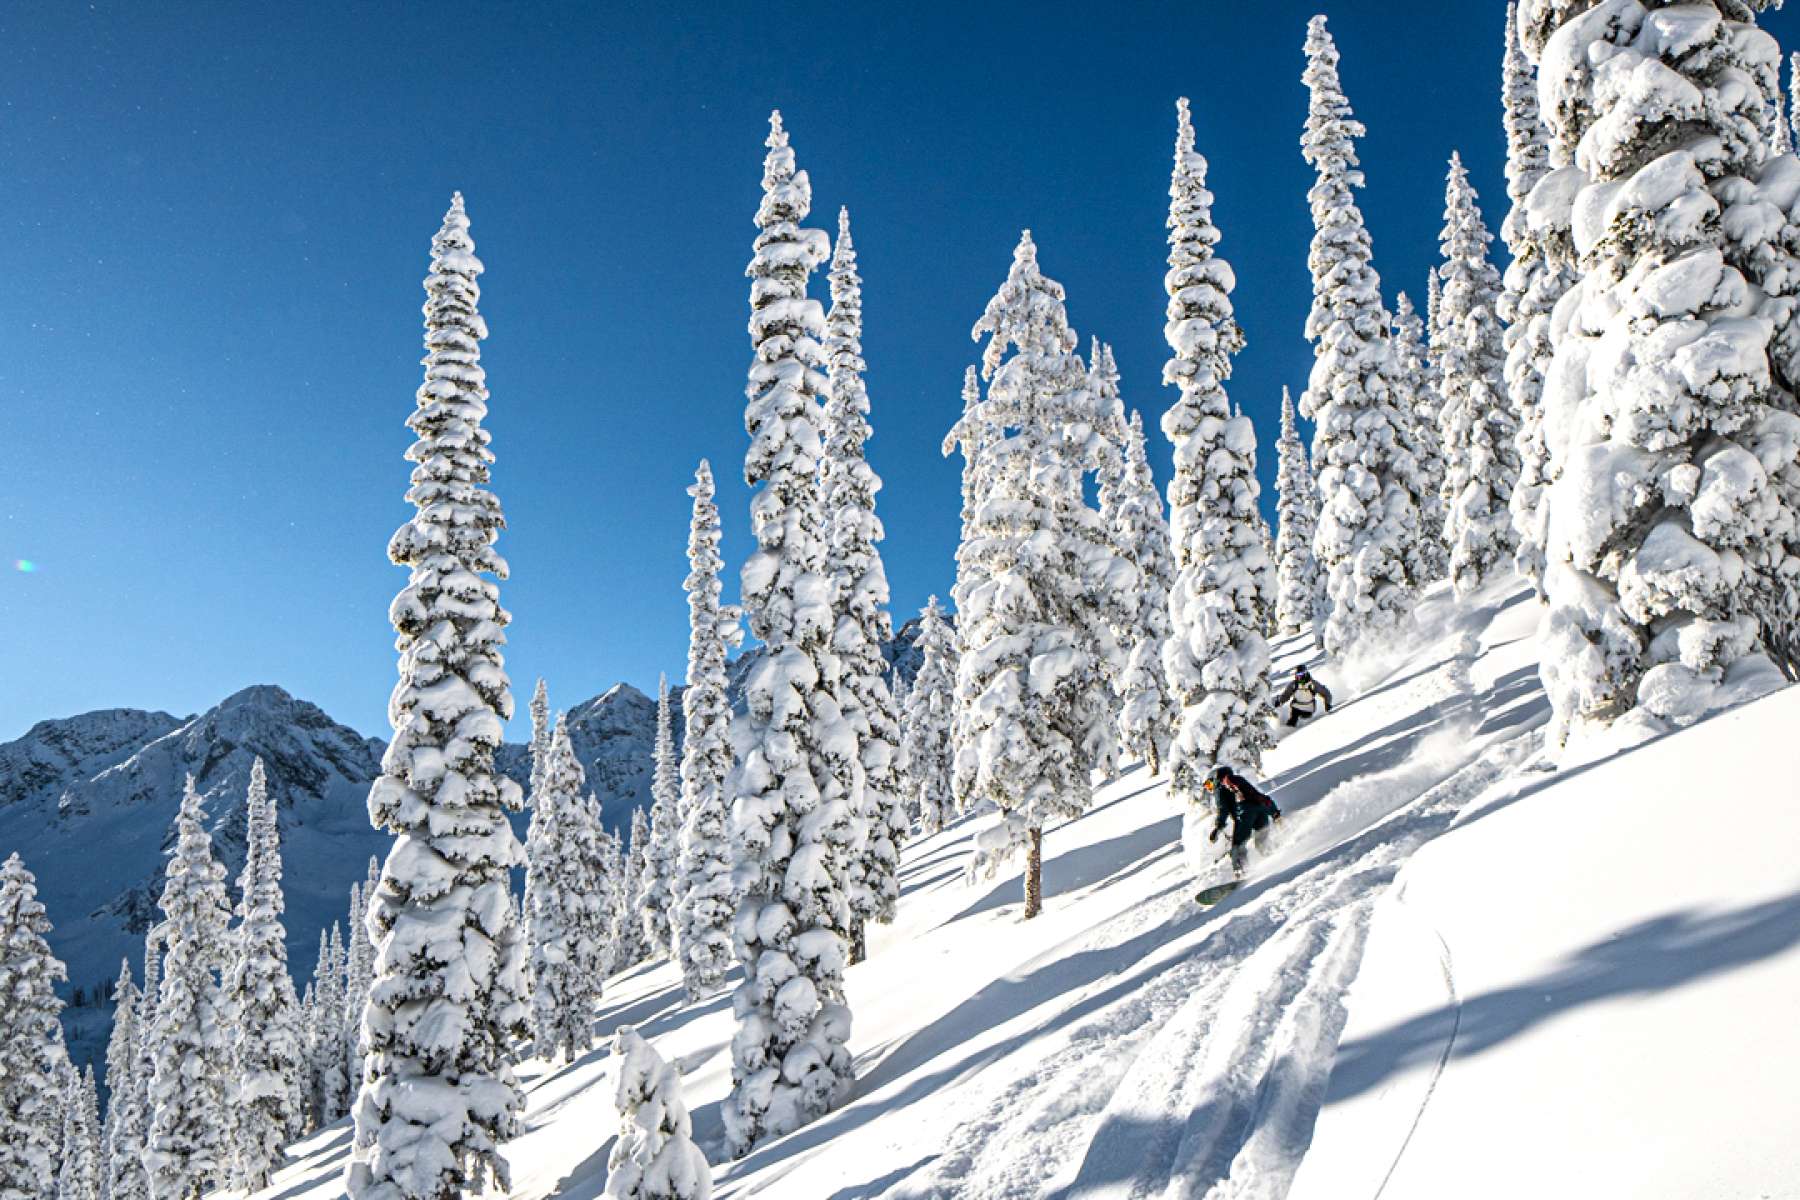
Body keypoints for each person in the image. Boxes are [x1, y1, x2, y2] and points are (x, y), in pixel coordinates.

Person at [1205, 764, 1282, 878]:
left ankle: (1242, 874)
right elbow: (1258, 796)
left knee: (1237, 847)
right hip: (1261, 811)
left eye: (1209, 784)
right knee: (1262, 842)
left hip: (1246, 813)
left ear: (1215, 778)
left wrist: (1218, 828)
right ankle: (1278, 859)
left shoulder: (1220, 787)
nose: (1209, 788)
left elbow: (1223, 810)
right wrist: (1274, 812)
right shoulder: (1239, 782)